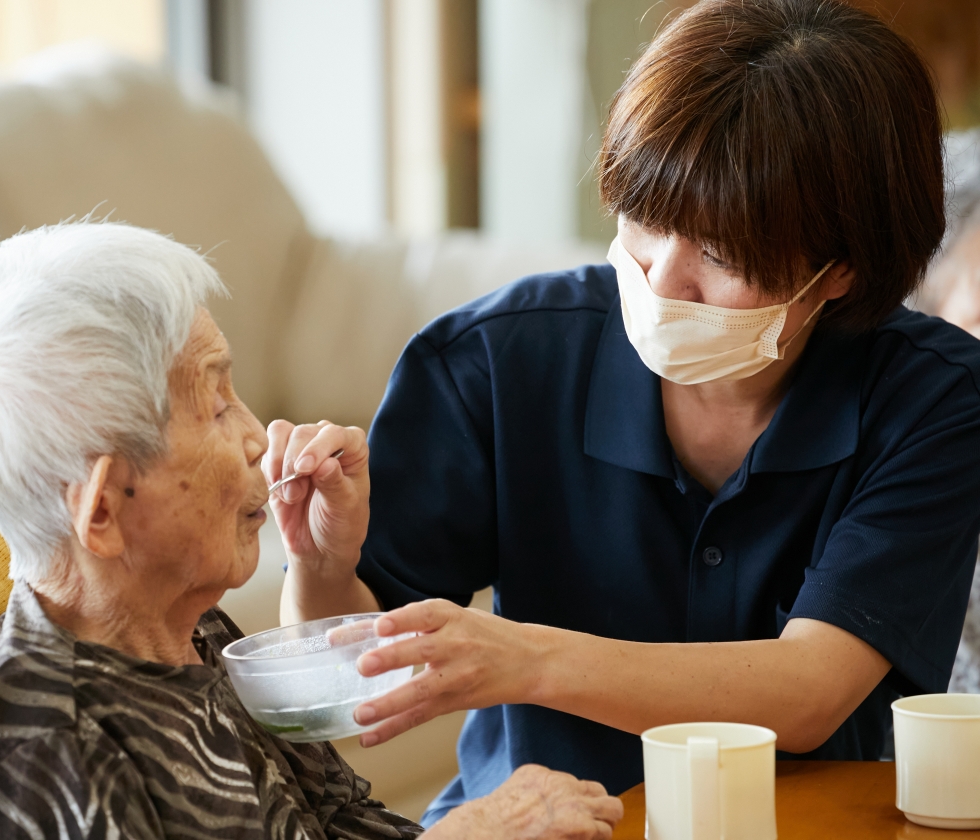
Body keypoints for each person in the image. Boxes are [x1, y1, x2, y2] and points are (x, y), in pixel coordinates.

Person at [267, 0, 980, 826]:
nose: (660, 277)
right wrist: (322, 565)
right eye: (646, 218)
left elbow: (812, 691)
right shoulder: (494, 362)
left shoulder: (935, 396)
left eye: (721, 254)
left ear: (840, 271)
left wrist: (528, 658)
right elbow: (354, 677)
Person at [0, 223, 623, 839]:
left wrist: (325, 564)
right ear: (102, 513)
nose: (260, 435)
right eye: (216, 405)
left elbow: (341, 818)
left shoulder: (191, 632)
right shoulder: (56, 738)